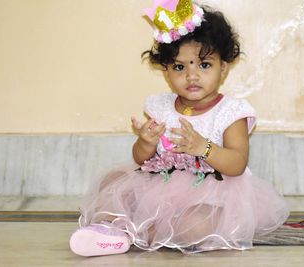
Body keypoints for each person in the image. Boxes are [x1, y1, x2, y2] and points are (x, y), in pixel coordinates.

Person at [69, 0, 289, 256]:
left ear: (223, 68)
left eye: (204, 65)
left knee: (196, 224)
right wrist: (146, 143)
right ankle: (110, 231)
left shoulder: (231, 112)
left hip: (212, 193)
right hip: (160, 184)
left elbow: (237, 163)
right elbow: (140, 159)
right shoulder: (160, 107)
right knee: (112, 183)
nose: (192, 76)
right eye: (180, 67)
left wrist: (203, 147)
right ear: (166, 71)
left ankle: (135, 233)